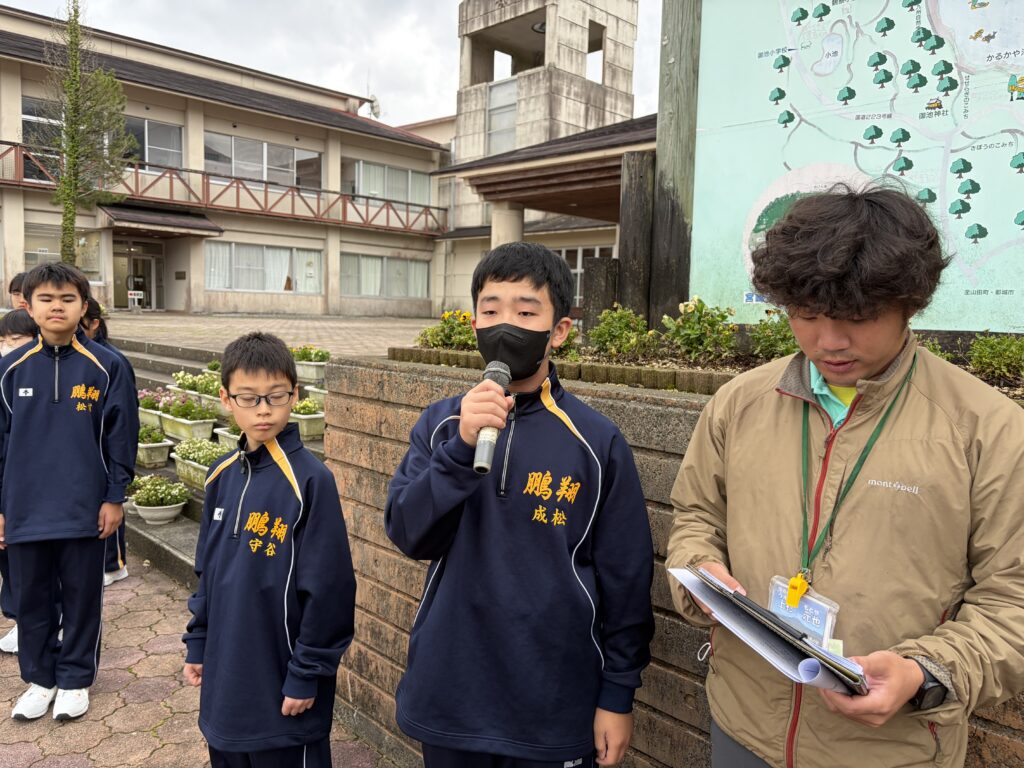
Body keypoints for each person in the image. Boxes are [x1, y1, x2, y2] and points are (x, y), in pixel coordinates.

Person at [665, 186, 1024, 768]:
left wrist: (925, 672)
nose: (829, 341)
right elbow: (697, 514)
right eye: (806, 315)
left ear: (910, 304)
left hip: (893, 751)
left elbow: (1012, 599)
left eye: (858, 318)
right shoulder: (739, 402)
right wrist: (700, 566)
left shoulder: (988, 430)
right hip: (740, 722)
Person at [386, 242, 654, 767]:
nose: (506, 326)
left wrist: (618, 693)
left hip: (553, 700)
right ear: (473, 323)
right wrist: (461, 449)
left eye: (526, 313)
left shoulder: (596, 442)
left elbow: (626, 575)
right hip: (450, 693)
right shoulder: (441, 425)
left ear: (560, 330)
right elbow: (408, 532)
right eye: (491, 311)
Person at [183, 331, 356, 768]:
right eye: (249, 398)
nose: (263, 409)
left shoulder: (311, 481)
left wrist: (306, 675)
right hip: (225, 685)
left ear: (294, 395)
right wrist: (198, 642)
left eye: (276, 396)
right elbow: (207, 569)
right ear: (226, 399)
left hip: (283, 688)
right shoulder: (220, 474)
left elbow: (330, 591)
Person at [0, 263, 138, 721]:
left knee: (82, 598)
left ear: (83, 307)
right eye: (46, 299)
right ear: (29, 306)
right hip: (24, 509)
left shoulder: (108, 366)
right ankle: (41, 679)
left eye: (67, 299)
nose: (56, 307)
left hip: (85, 507)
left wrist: (114, 496)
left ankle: (76, 677)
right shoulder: (9, 370)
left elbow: (122, 437)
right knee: (30, 600)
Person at [81, 297, 135, 586]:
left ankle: (114, 564)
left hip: (105, 448)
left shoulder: (111, 361)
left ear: (94, 324)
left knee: (108, 507)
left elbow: (124, 420)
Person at [0, 309, 39, 654]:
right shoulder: (5, 375)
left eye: (16, 340)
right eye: (3, 341)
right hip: (7, 488)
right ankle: (19, 620)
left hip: (34, 490)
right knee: (10, 562)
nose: (8, 346)